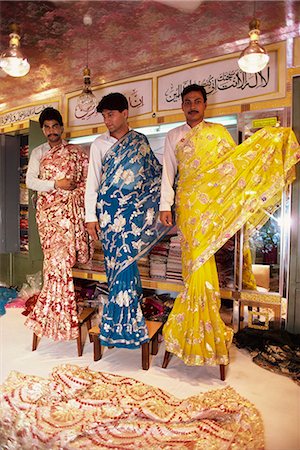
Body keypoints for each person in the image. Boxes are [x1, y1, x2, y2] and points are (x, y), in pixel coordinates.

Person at [160, 84, 300, 367]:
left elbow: (233, 167)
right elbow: (169, 172)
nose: (192, 106)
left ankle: (200, 331)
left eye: (197, 101)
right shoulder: (173, 135)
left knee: (204, 264)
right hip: (188, 205)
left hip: (211, 206)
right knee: (193, 265)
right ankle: (194, 331)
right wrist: (165, 206)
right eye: (187, 102)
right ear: (182, 106)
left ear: (205, 104)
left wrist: (270, 142)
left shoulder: (218, 133)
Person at [85, 92, 166, 349]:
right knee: (114, 267)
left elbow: (155, 177)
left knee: (127, 265)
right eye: (104, 116)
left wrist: (165, 200)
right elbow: (92, 184)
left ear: (125, 113)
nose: (107, 120)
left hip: (132, 217)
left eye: (111, 114)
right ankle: (118, 324)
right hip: (108, 217)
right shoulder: (98, 144)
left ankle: (127, 324)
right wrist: (90, 217)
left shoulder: (140, 143)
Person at [25, 107, 89, 341]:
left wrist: (73, 197)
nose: (51, 131)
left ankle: (56, 313)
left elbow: (86, 181)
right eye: (47, 127)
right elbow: (31, 181)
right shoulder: (38, 153)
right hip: (48, 217)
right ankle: (56, 313)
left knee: (61, 264)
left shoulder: (75, 152)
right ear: (43, 129)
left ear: (62, 127)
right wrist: (56, 184)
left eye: (55, 126)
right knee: (53, 263)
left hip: (68, 216)